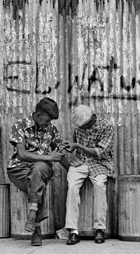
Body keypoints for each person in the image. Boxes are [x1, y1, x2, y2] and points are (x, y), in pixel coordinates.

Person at [7, 97, 69, 246]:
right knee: (37, 183)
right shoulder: (20, 125)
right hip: (18, 168)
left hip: (42, 168)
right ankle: (36, 227)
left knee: (39, 168)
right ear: (38, 114)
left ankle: (33, 218)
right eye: (47, 120)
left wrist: (71, 169)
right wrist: (49, 156)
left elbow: (59, 153)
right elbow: (22, 154)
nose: (49, 124)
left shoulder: (51, 129)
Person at [64, 105, 115, 245]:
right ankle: (73, 231)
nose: (84, 128)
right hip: (80, 161)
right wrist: (70, 147)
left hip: (100, 162)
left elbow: (100, 152)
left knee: (99, 185)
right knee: (72, 186)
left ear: (92, 119)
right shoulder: (79, 127)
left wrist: (78, 146)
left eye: (85, 125)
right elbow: (77, 151)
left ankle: (100, 229)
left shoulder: (107, 126)